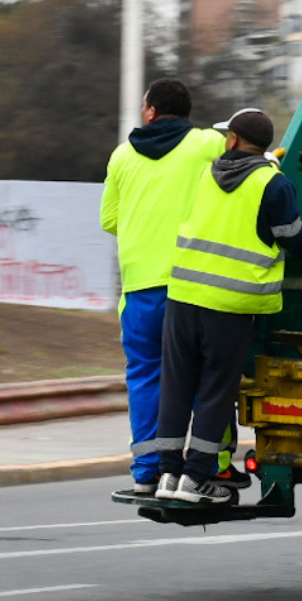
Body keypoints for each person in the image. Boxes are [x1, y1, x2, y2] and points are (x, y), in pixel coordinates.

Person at [154, 108, 302, 503]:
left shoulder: (207, 174)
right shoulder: (273, 184)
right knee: (215, 393)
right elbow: (296, 240)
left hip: (183, 296)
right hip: (230, 305)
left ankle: (167, 475)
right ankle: (194, 480)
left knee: (176, 388)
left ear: (233, 141)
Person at [100, 78, 245, 495]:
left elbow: (108, 220)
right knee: (204, 376)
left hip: (140, 289)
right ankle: (213, 466)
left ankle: (147, 471)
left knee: (145, 375)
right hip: (191, 286)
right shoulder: (205, 144)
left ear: (150, 111)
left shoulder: (122, 156)